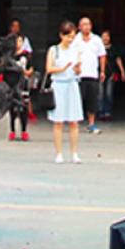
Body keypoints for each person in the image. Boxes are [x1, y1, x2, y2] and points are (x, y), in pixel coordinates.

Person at [46, 21, 86, 164]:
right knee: (58, 122)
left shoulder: (76, 50)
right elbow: (49, 68)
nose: (70, 39)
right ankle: (59, 153)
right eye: (68, 36)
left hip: (72, 84)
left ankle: (74, 153)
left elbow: (78, 71)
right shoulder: (54, 50)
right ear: (61, 35)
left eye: (72, 37)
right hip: (58, 85)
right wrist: (62, 68)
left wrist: (77, 69)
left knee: (74, 121)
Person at [0, 19, 35, 142]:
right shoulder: (9, 56)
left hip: (23, 83)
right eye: (17, 41)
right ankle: (12, 130)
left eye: (20, 41)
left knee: (23, 107)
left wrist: (27, 72)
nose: (18, 43)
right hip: (12, 82)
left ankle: (24, 130)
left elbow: (31, 68)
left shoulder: (26, 55)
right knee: (12, 107)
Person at [75, 16, 108, 135]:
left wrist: (102, 71)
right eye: (84, 24)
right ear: (79, 27)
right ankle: (75, 123)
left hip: (92, 74)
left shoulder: (96, 39)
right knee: (78, 100)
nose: (86, 27)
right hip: (78, 75)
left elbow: (102, 55)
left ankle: (91, 123)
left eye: (88, 24)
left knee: (92, 100)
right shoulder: (75, 39)